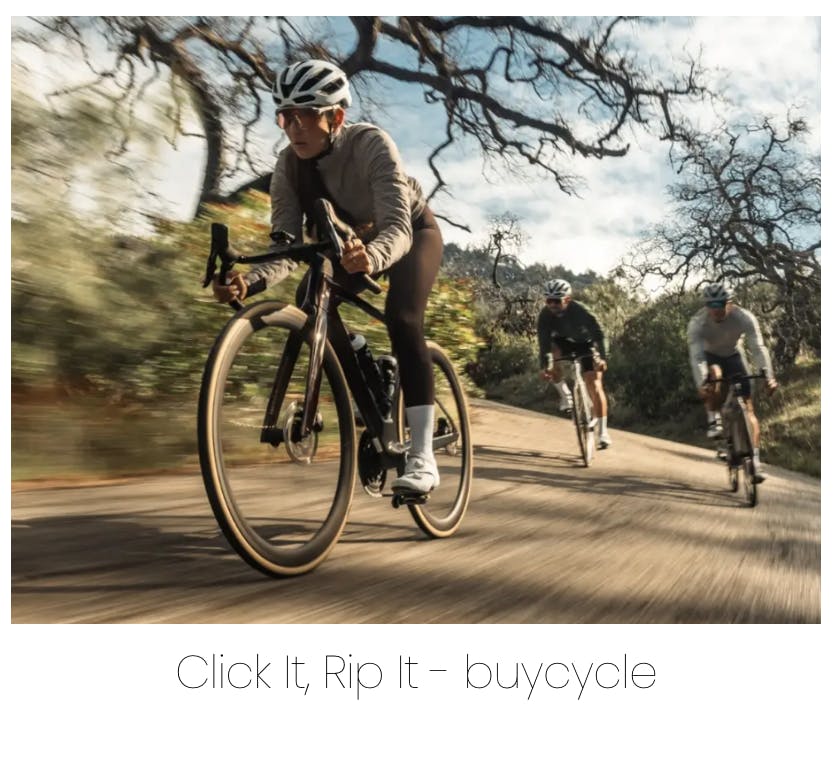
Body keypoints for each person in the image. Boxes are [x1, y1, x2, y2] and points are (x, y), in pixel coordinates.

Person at [212, 59, 443, 495]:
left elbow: (397, 228)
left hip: (410, 234)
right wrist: (250, 282)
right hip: (352, 244)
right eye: (285, 117)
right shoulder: (288, 167)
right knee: (311, 296)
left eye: (305, 115)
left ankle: (423, 456)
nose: (293, 128)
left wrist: (370, 258)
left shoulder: (371, 144)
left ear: (336, 117)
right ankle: (366, 371)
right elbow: (286, 248)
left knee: (403, 319)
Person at [687, 282, 778, 482]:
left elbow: (758, 348)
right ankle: (714, 420)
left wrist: (768, 377)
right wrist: (702, 382)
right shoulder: (697, 323)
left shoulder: (744, 317)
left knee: (748, 408)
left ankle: (755, 462)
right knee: (714, 373)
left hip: (734, 356)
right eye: (711, 305)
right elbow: (697, 357)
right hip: (710, 358)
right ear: (706, 306)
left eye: (720, 304)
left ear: (730, 303)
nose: (716, 309)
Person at [537, 278, 612, 449]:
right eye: (549, 301)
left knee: (594, 384)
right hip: (562, 343)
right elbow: (543, 344)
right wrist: (544, 367)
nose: (552, 305)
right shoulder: (545, 315)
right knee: (551, 359)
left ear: (567, 299)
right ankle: (565, 396)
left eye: (556, 301)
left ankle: (603, 433)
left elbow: (599, 334)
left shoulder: (580, 311)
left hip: (586, 343)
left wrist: (602, 358)